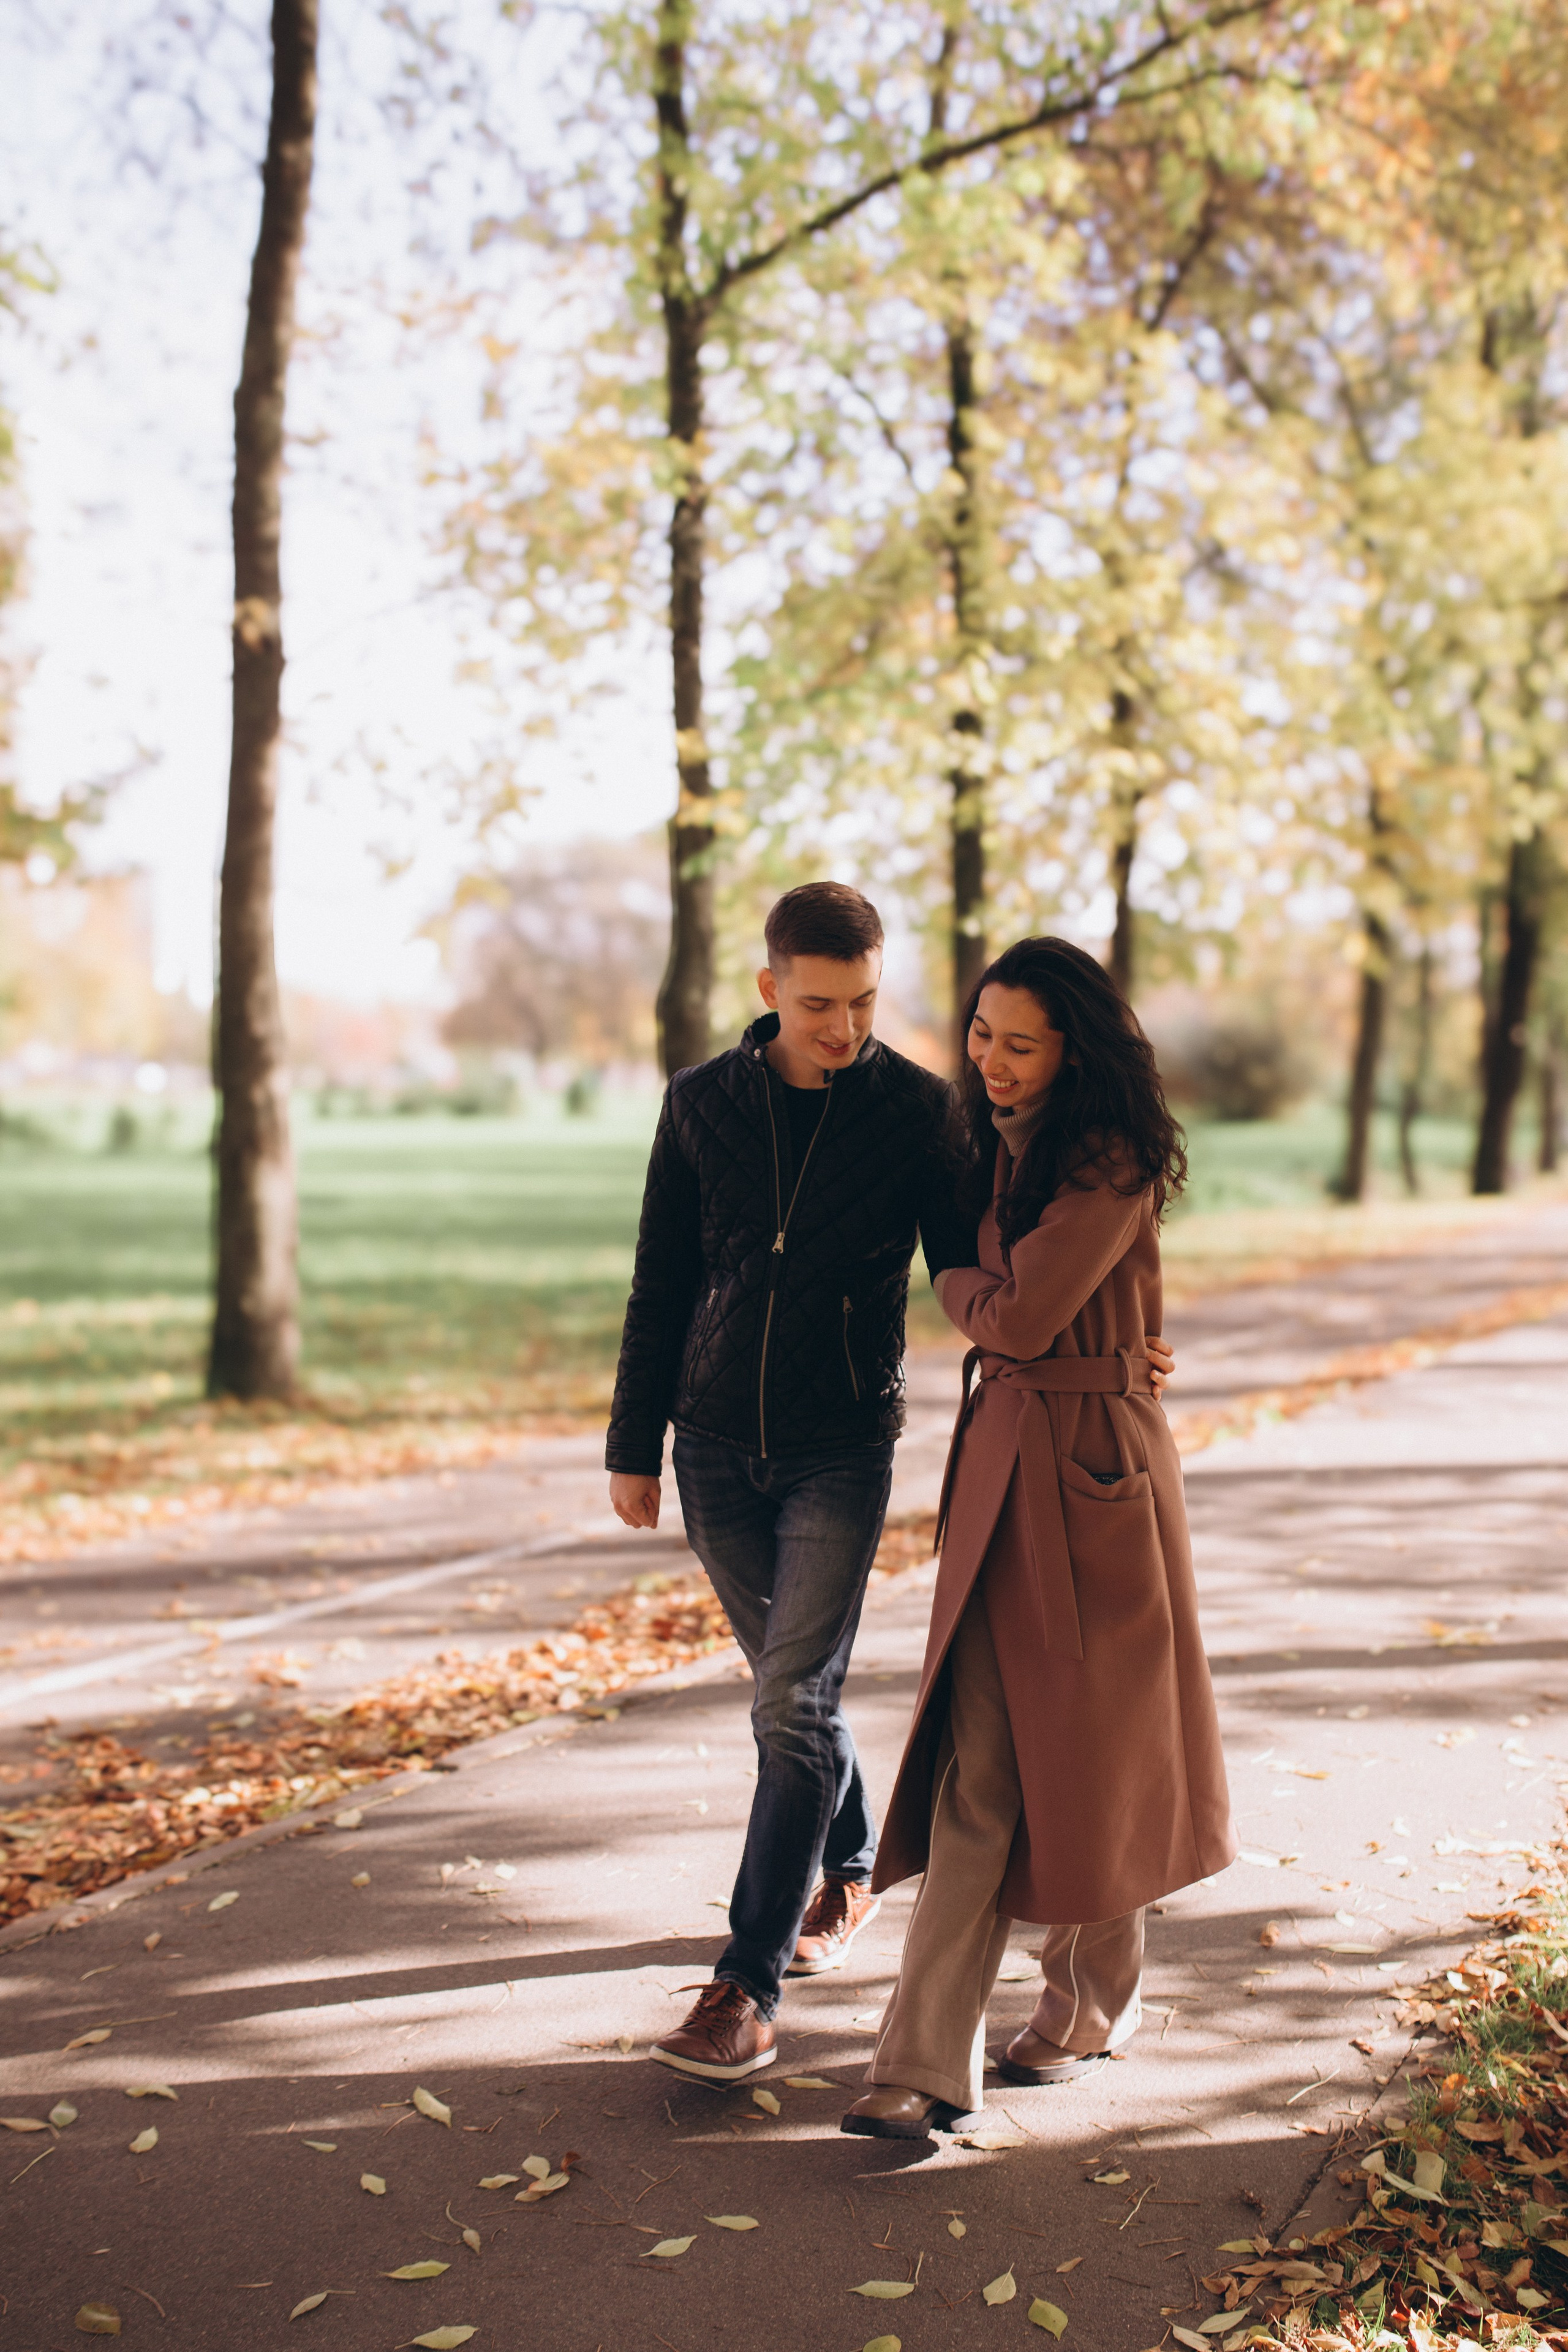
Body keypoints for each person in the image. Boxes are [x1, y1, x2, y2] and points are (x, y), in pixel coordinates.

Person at [605, 886, 1175, 2083]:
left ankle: (743, 1988)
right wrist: (631, 1441)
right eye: (818, 1003)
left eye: (863, 1000)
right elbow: (660, 1276)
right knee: (789, 1693)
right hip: (712, 1446)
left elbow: (994, 1257)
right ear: (769, 991)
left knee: (785, 1704)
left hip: (839, 1449)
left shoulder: (920, 1115)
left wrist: (1115, 1342)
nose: (843, 1025)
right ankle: (849, 1861)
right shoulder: (700, 1104)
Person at [841, 935, 1235, 2142]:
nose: (991, 1060)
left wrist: (953, 1276)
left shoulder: (1105, 1156)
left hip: (1093, 1473)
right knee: (987, 1772)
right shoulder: (982, 1145)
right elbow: (1016, 1326)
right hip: (1006, 1463)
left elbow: (1016, 1312)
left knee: (1094, 1756)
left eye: (1018, 1042)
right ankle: (914, 2068)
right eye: (979, 1035)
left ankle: (1091, 1998)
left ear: (1073, 1046)